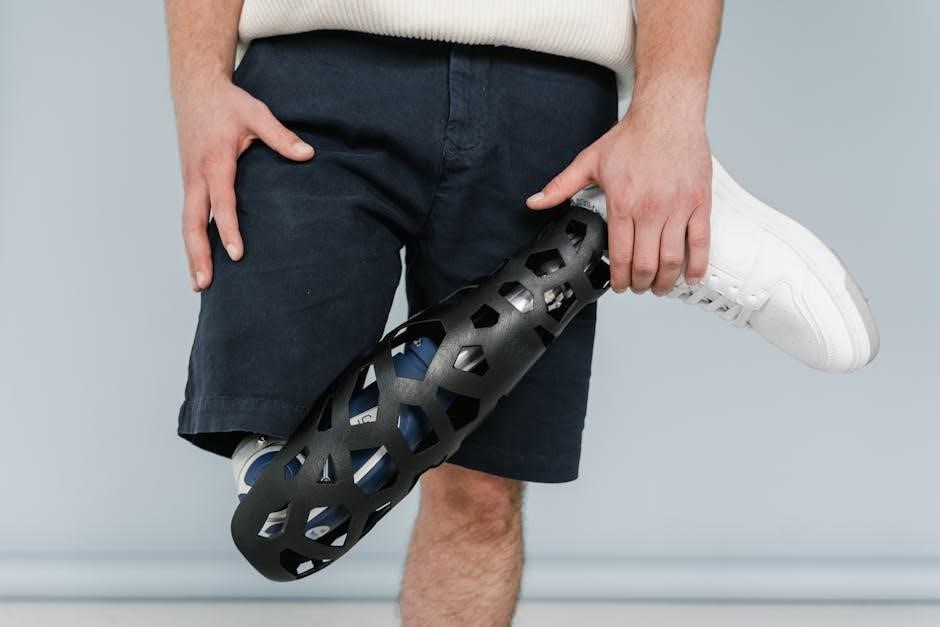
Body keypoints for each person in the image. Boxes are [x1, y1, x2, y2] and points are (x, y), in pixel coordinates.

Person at [166, 1, 722, 624]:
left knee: (481, 490)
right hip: (315, 67)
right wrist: (198, 87)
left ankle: (470, 347)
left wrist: (671, 111)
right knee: (288, 494)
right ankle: (454, 356)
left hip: (547, 78)